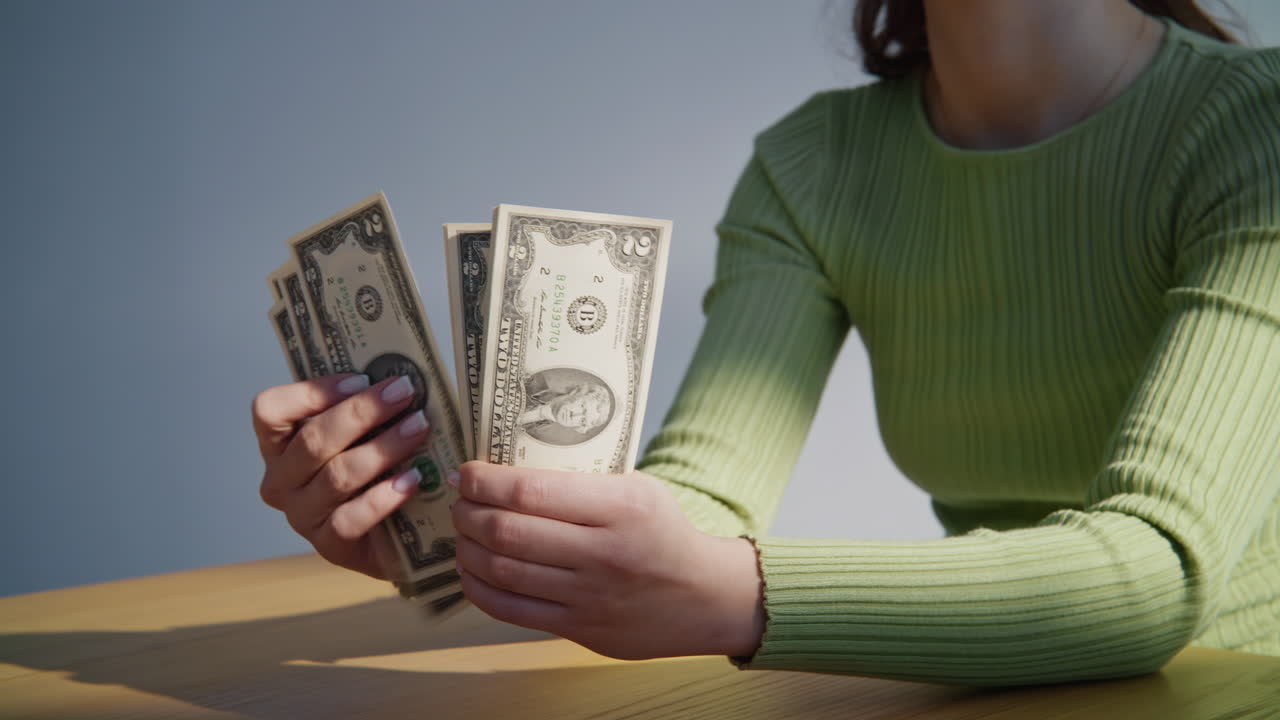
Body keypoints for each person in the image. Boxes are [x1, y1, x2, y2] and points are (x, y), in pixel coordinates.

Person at [252, 0, 1279, 687]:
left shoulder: (1256, 127)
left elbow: (1156, 576)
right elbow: (697, 504)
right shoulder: (813, 165)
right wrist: (457, 531)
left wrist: (725, 594)